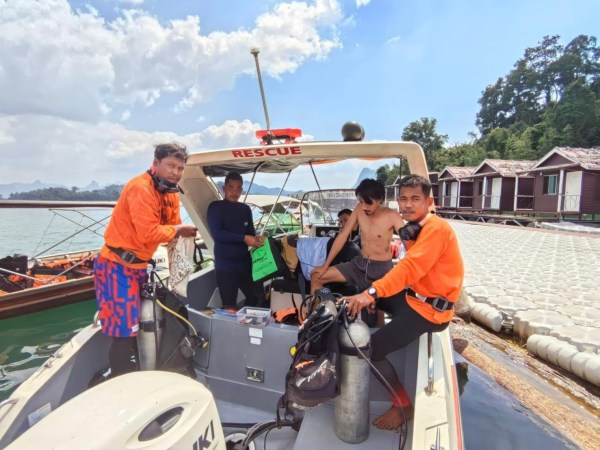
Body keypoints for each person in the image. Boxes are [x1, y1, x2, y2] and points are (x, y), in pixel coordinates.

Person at [343, 174, 464, 431]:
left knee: (372, 349)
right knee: (369, 295)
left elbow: (409, 268)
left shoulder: (436, 229)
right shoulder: (416, 228)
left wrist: (371, 294)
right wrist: (371, 295)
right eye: (403, 199)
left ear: (429, 201)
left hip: (429, 313)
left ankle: (402, 405)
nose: (407, 205)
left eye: (415, 199)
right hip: (416, 298)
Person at [93, 143, 198, 377]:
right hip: (115, 266)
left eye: (180, 168)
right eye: (170, 166)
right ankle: (119, 379)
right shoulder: (140, 188)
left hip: (138, 267)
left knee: (139, 326)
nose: (175, 172)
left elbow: (172, 226)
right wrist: (180, 230)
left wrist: (182, 233)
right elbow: (149, 233)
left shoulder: (171, 193)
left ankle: (136, 372)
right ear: (155, 163)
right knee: (124, 332)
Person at [310, 178, 404, 294]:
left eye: (368, 202)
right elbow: (343, 235)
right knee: (316, 276)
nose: (364, 207)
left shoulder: (393, 216)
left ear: (379, 199)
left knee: (374, 308)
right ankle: (316, 311)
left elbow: (410, 246)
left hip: (382, 269)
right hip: (360, 265)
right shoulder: (359, 209)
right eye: (361, 201)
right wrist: (325, 266)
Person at [207, 172, 265, 308]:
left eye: (238, 188)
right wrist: (243, 238)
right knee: (229, 306)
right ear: (224, 188)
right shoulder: (215, 207)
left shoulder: (245, 209)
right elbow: (218, 234)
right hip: (226, 268)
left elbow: (250, 232)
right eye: (231, 187)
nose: (235, 191)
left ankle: (248, 325)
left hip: (245, 265)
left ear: (242, 190)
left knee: (257, 298)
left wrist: (257, 238)